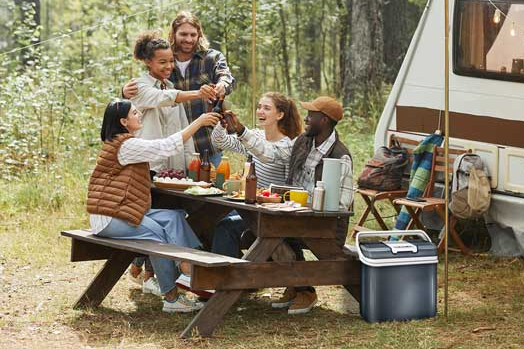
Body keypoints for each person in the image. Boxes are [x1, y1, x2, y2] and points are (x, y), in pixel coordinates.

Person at [221, 96, 353, 314]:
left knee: (267, 231)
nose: (307, 119)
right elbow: (270, 154)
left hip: (323, 224)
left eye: (313, 115)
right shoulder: (302, 142)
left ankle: (304, 290)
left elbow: (342, 204)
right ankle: (294, 285)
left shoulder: (340, 156)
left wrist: (307, 206)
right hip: (293, 216)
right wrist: (242, 131)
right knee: (257, 226)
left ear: (325, 121)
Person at [87, 99, 221, 313]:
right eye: (134, 112)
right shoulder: (126, 145)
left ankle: (188, 269)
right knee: (157, 237)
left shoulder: (124, 142)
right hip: (109, 218)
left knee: (174, 217)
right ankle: (171, 297)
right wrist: (199, 122)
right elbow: (165, 147)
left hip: (121, 211)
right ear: (123, 121)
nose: (139, 114)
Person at [123, 11, 235, 166]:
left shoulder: (210, 58)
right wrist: (123, 92)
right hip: (172, 146)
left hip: (207, 141)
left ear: (199, 35)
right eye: (183, 34)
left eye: (193, 35)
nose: (188, 39)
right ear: (174, 34)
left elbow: (226, 77)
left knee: (212, 188)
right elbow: (151, 94)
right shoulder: (164, 59)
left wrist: (223, 85)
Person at [209, 92, 303, 258]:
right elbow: (220, 142)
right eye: (259, 107)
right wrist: (222, 124)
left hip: (275, 213)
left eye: (266, 108)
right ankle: (226, 275)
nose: (260, 111)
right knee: (213, 219)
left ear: (280, 115)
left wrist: (241, 130)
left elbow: (266, 153)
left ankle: (230, 279)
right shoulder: (256, 137)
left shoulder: (289, 143)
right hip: (252, 208)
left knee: (225, 227)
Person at [129, 30, 218, 173]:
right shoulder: (138, 87)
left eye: (171, 61)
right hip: (149, 166)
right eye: (162, 62)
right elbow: (163, 98)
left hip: (174, 168)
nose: (169, 66)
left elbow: (184, 130)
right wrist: (199, 93)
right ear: (148, 62)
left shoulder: (171, 87)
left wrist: (192, 166)